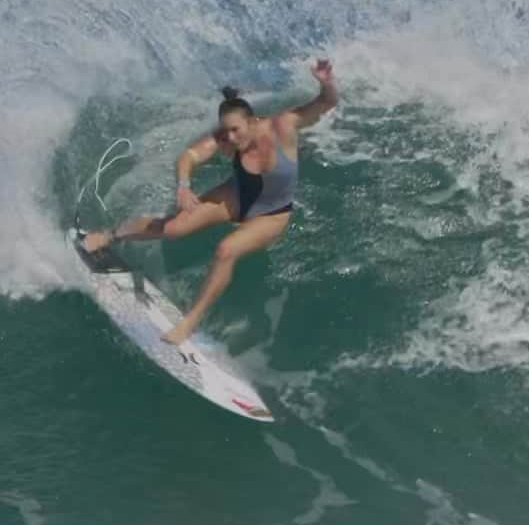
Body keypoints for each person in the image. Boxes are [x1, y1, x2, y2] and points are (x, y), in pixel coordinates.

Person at [82, 58, 338, 344]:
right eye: (225, 131)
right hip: (236, 196)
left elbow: (325, 103)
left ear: (253, 121)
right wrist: (183, 185)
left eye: (235, 130)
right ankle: (110, 235)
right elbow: (189, 156)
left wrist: (325, 82)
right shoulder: (226, 138)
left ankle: (190, 322)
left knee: (226, 249)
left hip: (271, 213)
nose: (229, 138)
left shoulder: (283, 125)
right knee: (172, 228)